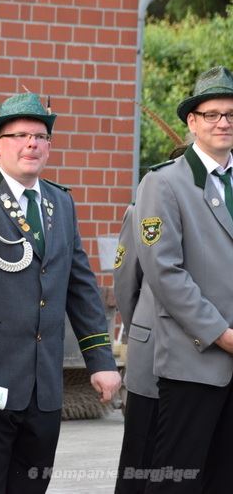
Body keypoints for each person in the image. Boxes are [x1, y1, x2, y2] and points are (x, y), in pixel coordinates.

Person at [0, 92, 120, 493]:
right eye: (20, 136)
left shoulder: (60, 202)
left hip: (43, 388)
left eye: (40, 136)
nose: (32, 144)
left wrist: (101, 360)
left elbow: (81, 287)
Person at [134, 66, 233, 493]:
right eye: (212, 114)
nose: (223, 122)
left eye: (231, 114)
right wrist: (221, 334)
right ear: (192, 122)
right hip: (195, 361)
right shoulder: (164, 183)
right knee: (179, 481)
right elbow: (165, 273)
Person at [113, 144, 187, 494]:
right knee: (141, 460)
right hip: (154, 353)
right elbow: (126, 282)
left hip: (207, 361)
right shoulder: (140, 210)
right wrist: (142, 330)